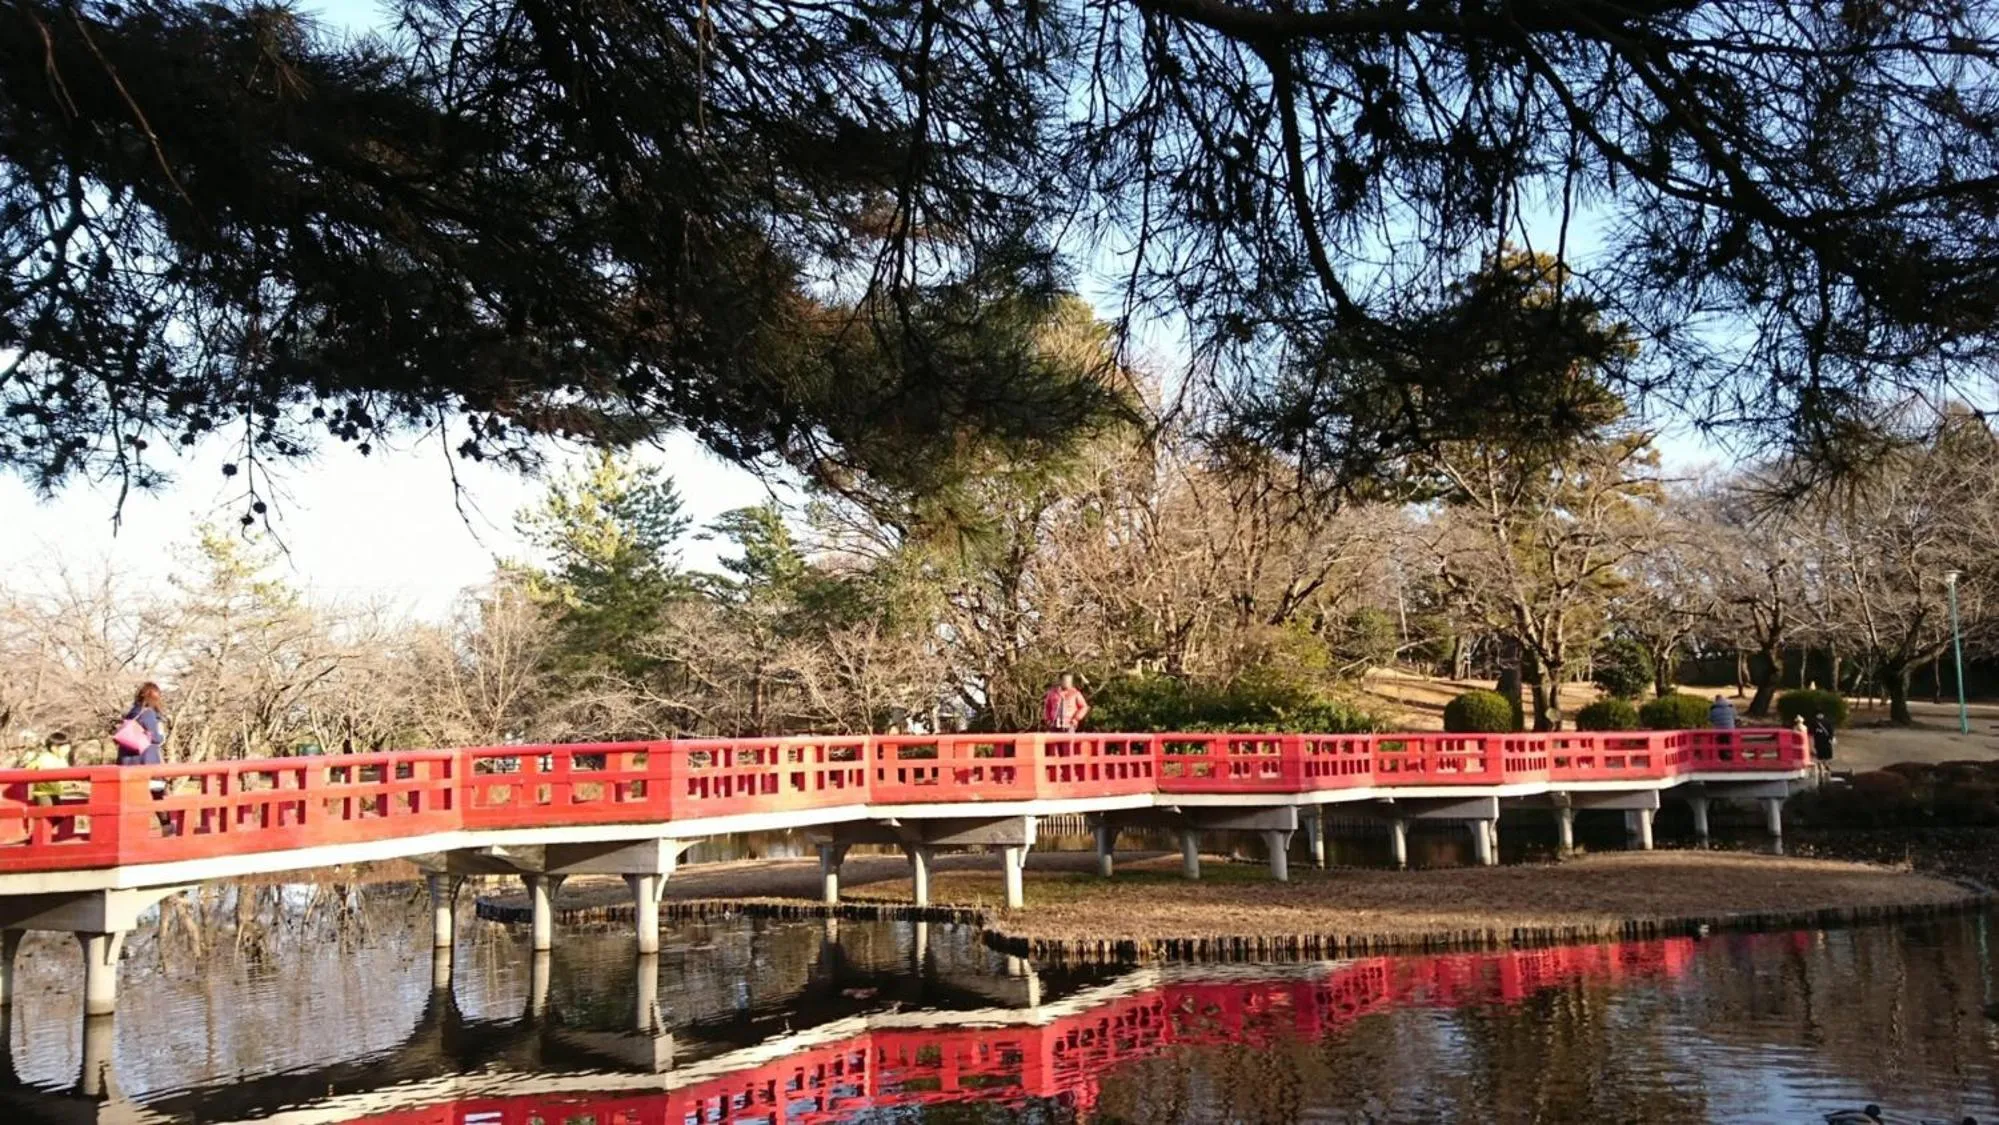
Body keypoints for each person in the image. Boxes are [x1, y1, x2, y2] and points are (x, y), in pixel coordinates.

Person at [116, 682, 175, 834]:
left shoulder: (132, 713)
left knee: (132, 799)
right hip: (147, 761)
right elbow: (156, 738)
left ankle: (130, 831)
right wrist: (160, 735)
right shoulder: (148, 714)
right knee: (158, 794)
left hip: (127, 762)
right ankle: (167, 827)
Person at [1809, 711, 1837, 783]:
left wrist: (1811, 746)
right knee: (1826, 760)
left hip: (1818, 745)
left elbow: (1811, 736)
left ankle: (1821, 773)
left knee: (1819, 760)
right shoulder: (1828, 722)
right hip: (1827, 744)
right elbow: (1832, 733)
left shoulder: (1813, 723)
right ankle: (1827, 773)